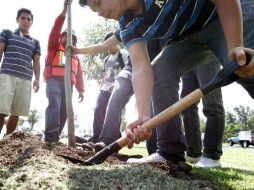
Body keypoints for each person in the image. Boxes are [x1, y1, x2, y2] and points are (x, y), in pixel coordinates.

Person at [79, 0, 254, 169]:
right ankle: (170, 153)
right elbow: (140, 67)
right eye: (95, 10)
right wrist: (143, 116)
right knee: (160, 72)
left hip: (226, 12)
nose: (100, 12)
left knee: (246, 70)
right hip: (191, 36)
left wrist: (236, 44)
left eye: (98, 2)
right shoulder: (128, 25)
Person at [43, 0, 85, 143]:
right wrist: (64, 12)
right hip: (54, 80)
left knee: (65, 110)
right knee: (54, 102)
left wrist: (81, 90)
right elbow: (55, 29)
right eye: (66, 35)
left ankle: (56, 136)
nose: (68, 39)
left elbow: (79, 75)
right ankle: (50, 136)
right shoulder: (54, 46)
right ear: (61, 37)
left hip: (69, 86)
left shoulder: (75, 57)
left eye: (71, 37)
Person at [0, 8, 41, 135]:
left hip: (25, 79)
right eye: (23, 18)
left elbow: (37, 63)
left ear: (31, 22)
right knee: (1, 110)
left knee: (16, 112)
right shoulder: (7, 33)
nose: (26, 21)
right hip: (7, 75)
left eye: (29, 19)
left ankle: (6, 142)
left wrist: (37, 79)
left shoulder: (35, 42)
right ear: (17, 19)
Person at [181, 57, 225, 168]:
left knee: (212, 102)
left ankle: (212, 156)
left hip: (207, 52)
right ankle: (193, 152)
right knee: (187, 106)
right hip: (188, 57)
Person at [86, 32, 129, 145]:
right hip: (104, 89)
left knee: (113, 113)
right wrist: (101, 88)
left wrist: (117, 84)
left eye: (110, 44)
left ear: (117, 42)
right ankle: (97, 139)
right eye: (106, 45)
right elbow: (104, 75)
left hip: (118, 89)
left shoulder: (124, 54)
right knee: (98, 110)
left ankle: (112, 141)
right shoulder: (106, 59)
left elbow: (128, 70)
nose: (108, 47)